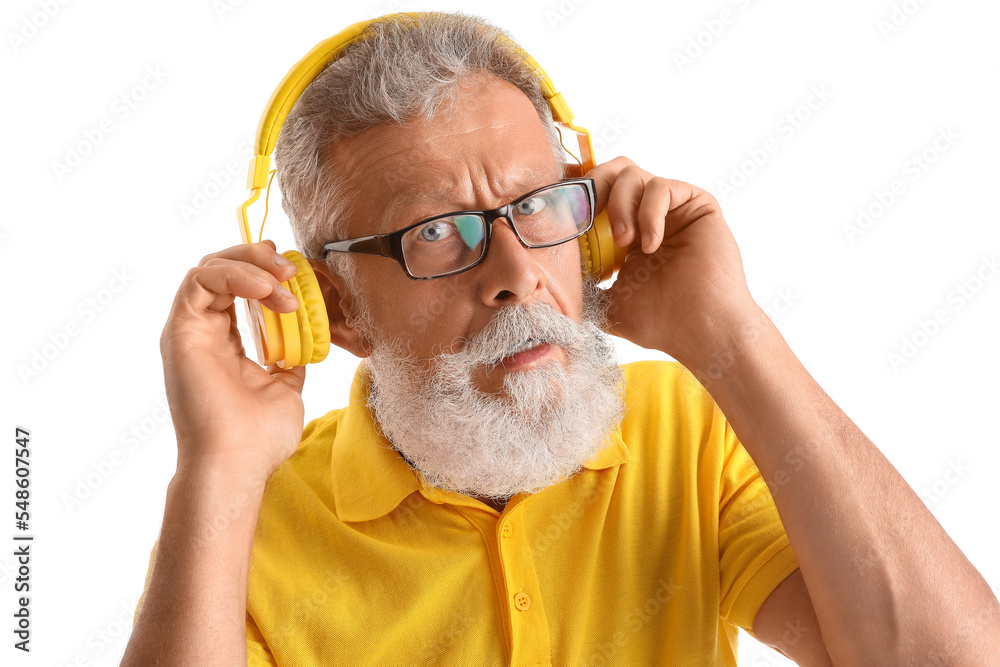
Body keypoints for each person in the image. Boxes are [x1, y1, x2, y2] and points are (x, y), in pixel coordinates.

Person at [121, 12, 1000, 666]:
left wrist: (730, 336)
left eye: (537, 206)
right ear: (334, 309)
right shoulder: (246, 519)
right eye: (435, 231)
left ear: (593, 232)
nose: (515, 271)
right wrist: (217, 470)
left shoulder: (685, 433)